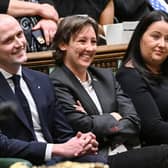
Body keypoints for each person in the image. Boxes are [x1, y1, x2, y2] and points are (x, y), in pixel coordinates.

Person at [49, 14, 168, 168]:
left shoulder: (105, 76)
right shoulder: (56, 82)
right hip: (96, 156)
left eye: (93, 42)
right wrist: (114, 117)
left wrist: (95, 120)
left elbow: (134, 121)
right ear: (63, 44)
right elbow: (82, 125)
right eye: (82, 41)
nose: (90, 48)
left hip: (127, 149)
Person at [0, 14, 107, 166]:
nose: (19, 43)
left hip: (55, 160)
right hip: (20, 162)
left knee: (99, 162)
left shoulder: (42, 80)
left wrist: (81, 142)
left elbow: (63, 134)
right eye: (8, 40)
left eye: (19, 35)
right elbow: (2, 145)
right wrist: (55, 149)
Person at [116, 10, 168, 146]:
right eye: (155, 37)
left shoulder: (164, 69)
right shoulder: (129, 76)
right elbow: (153, 129)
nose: (162, 44)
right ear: (140, 37)